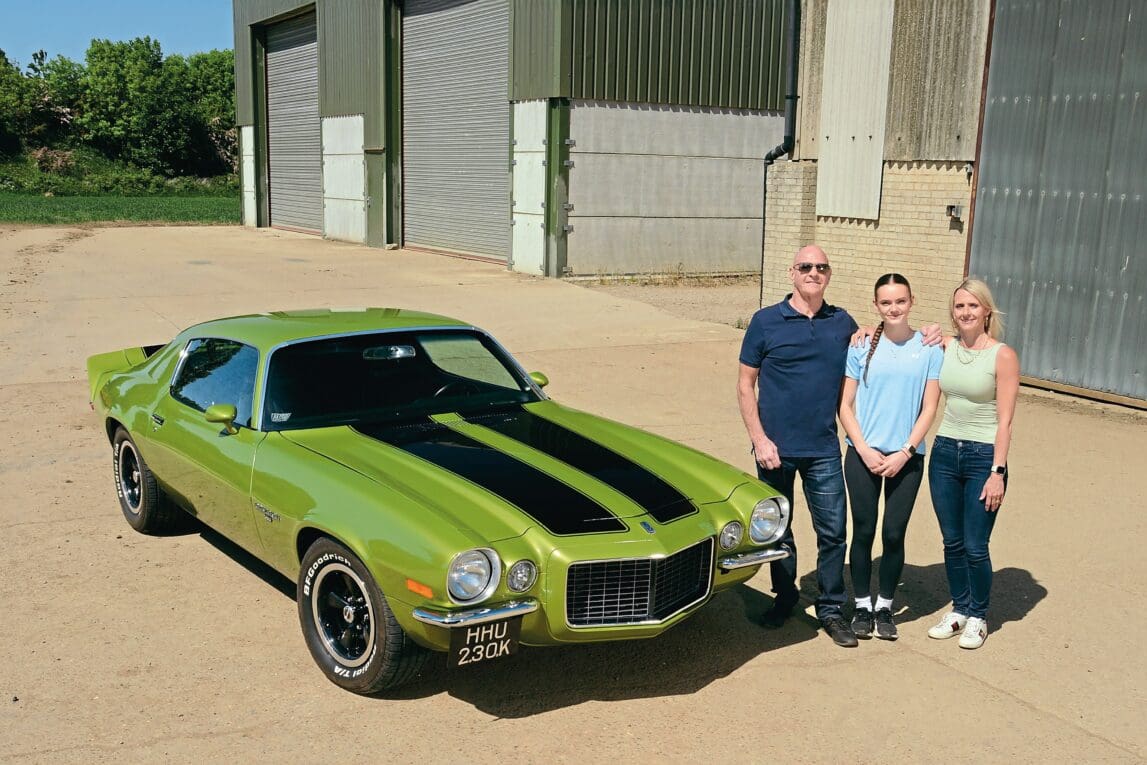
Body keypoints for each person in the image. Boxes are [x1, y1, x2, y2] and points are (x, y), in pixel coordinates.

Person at [737, 245, 861, 647]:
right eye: (806, 266)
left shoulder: (842, 323)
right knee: (779, 531)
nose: (813, 272)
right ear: (792, 272)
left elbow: (885, 342)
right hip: (774, 450)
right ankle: (785, 596)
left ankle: (831, 608)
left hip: (823, 448)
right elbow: (745, 385)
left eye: (821, 267)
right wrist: (759, 439)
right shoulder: (766, 322)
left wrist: (934, 335)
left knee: (833, 532)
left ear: (829, 274)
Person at [838, 274, 942, 641]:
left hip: (906, 457)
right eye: (886, 302)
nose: (893, 308)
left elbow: (930, 408)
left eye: (900, 301)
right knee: (864, 530)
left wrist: (905, 451)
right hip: (862, 454)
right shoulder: (861, 346)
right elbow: (845, 406)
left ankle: (885, 605)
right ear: (876, 305)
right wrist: (864, 449)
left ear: (912, 301)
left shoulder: (929, 349)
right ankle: (862, 605)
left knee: (894, 533)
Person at [926, 278, 1019, 649]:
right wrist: (869, 330)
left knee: (975, 545)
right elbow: (899, 333)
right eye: (959, 306)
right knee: (952, 542)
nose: (965, 312)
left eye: (973, 306)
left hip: (984, 458)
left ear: (986, 311)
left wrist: (998, 472)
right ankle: (960, 609)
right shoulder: (945, 346)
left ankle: (978, 616)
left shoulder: (1002, 355)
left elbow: (1005, 422)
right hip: (944, 452)